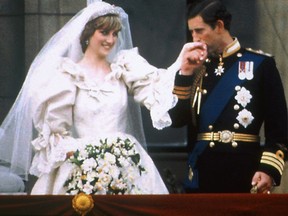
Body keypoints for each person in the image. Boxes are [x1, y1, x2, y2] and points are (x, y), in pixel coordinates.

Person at [0, 1, 181, 195]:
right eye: (104, 32)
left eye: (114, 34)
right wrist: (86, 159)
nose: (110, 40)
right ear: (87, 35)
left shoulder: (124, 69)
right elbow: (56, 133)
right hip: (82, 167)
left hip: (126, 162)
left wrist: (181, 64)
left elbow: (157, 92)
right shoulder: (67, 76)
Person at [169, 0, 288, 193]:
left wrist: (268, 170)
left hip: (244, 171)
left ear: (219, 26)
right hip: (203, 171)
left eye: (199, 31)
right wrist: (185, 74)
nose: (194, 38)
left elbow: (279, 130)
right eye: (192, 32)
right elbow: (176, 119)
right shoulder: (196, 67)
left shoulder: (260, 65)